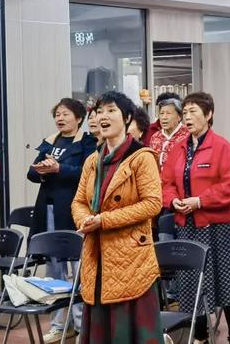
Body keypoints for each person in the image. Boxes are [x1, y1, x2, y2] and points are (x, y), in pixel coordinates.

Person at [71, 92, 164, 344]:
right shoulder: (93, 160)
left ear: (127, 117)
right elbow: (79, 201)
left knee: (129, 331)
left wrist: (104, 220)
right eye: (99, 111)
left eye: (111, 110)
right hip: (97, 254)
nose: (103, 116)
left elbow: (153, 204)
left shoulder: (141, 157)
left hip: (131, 257)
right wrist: (84, 220)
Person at [162, 92, 230, 342]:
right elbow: (166, 183)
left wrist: (199, 201)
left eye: (193, 112)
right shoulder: (179, 148)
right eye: (185, 112)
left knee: (227, 282)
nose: (187, 117)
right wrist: (173, 201)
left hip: (219, 226)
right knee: (190, 285)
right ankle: (200, 336)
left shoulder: (221, 146)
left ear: (208, 115)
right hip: (187, 225)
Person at [29, 98, 97, 343]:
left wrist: (60, 169)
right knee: (54, 267)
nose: (60, 118)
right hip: (47, 209)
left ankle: (82, 324)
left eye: (65, 114)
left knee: (77, 268)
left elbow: (88, 172)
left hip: (72, 210)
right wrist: (41, 168)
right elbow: (31, 173)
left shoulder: (88, 142)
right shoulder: (50, 141)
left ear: (79, 118)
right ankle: (60, 324)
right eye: (57, 114)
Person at [149, 96, 188, 171]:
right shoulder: (155, 137)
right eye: (161, 113)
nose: (164, 117)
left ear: (179, 116)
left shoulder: (187, 135)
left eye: (168, 113)